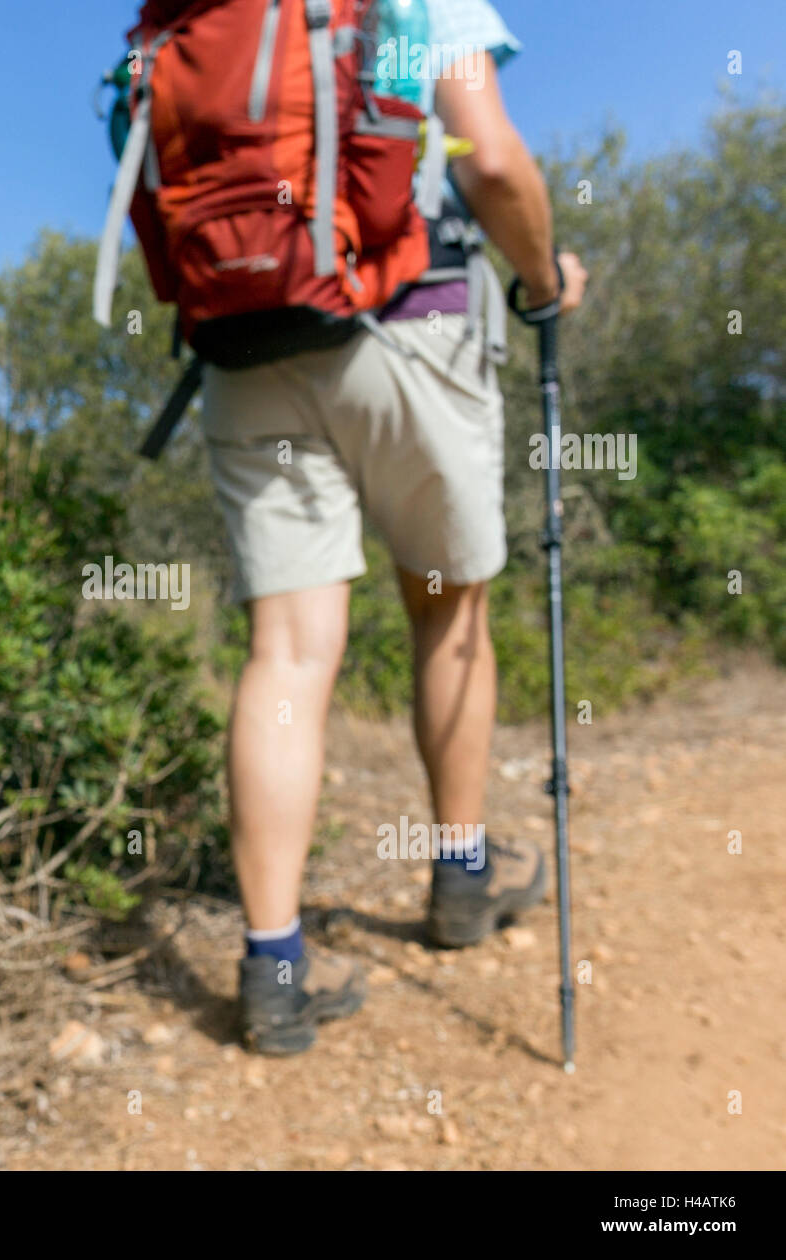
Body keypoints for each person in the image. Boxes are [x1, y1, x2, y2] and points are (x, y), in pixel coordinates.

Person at [201, 0, 590, 1055]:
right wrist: (546, 281)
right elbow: (494, 164)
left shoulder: (189, 18)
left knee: (284, 651)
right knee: (447, 605)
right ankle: (459, 880)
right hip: (409, 323)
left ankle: (272, 969)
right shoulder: (412, 4)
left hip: (245, 347)